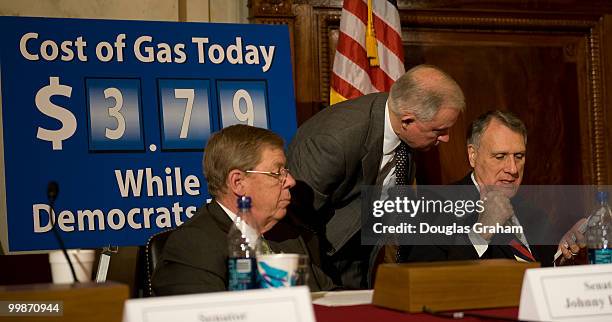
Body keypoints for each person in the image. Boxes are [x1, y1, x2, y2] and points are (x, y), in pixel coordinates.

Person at [287, 65, 466, 288]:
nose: (446, 139)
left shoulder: (405, 132)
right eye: (438, 131)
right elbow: (295, 222)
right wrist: (319, 285)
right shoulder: (334, 141)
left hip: (361, 259)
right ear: (407, 121)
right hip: (320, 263)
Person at [152, 125, 335, 295]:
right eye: (277, 173)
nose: (291, 181)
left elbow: (327, 295)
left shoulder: (288, 235)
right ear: (238, 183)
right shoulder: (192, 246)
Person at [399, 110, 557, 265]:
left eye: (518, 156)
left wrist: (561, 257)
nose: (513, 169)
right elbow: (427, 280)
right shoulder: (435, 205)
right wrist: (481, 234)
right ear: (473, 155)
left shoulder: (533, 212)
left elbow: (543, 274)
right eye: (500, 157)